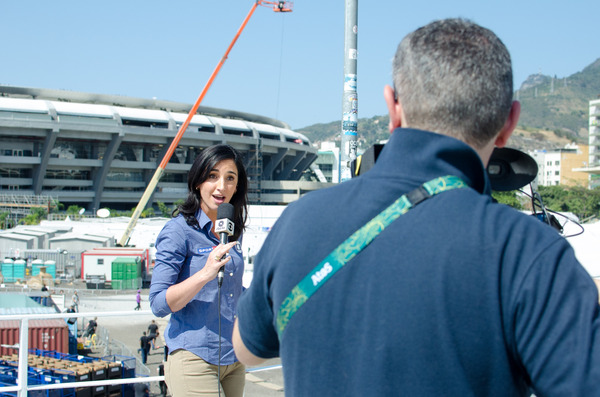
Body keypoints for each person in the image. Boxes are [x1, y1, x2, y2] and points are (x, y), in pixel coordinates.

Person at [232, 18, 600, 396]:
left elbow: (246, 349)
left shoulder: (300, 220)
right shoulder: (527, 251)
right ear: (509, 123)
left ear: (393, 106)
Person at [150, 144, 249, 397]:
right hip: (194, 357)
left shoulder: (230, 230)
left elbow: (231, 290)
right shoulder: (178, 231)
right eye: (212, 176)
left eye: (230, 178)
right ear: (197, 182)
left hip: (233, 357)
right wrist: (205, 273)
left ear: (237, 186)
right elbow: (158, 304)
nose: (221, 186)